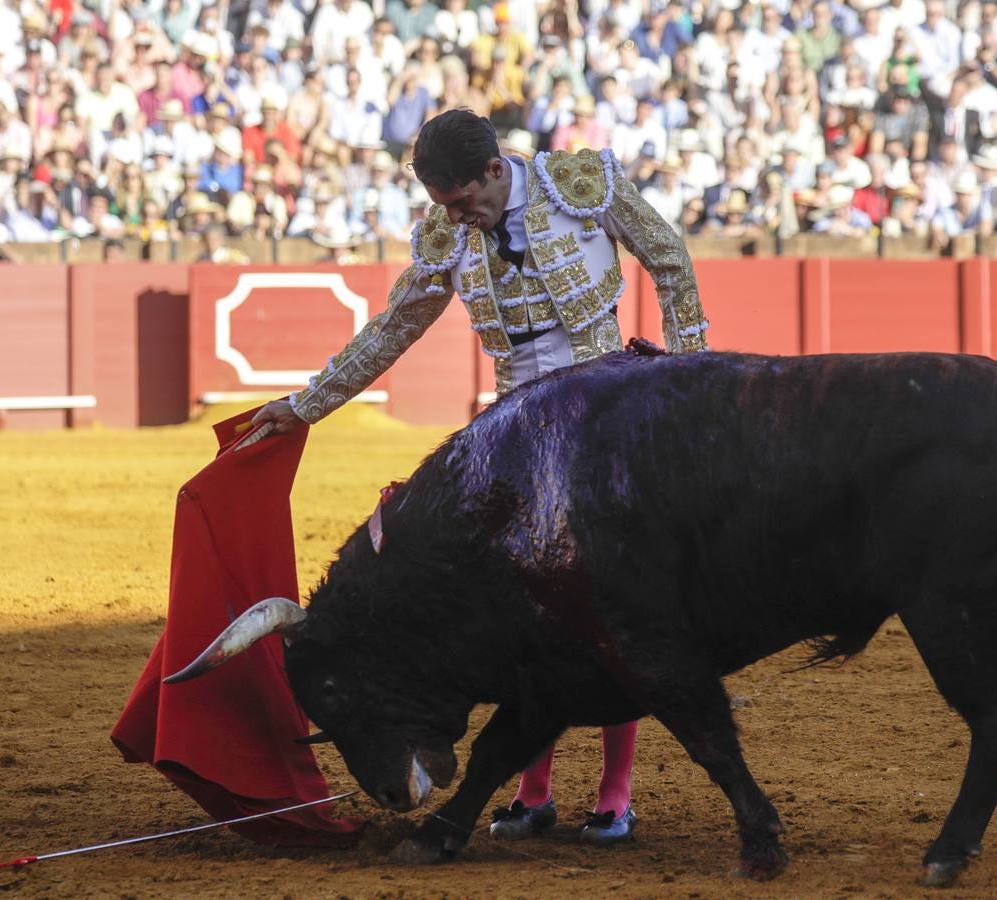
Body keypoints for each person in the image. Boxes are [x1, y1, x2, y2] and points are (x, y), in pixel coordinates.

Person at [246, 108, 710, 846]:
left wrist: (689, 377)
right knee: (521, 611)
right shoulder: (445, 234)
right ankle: (533, 792)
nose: (458, 218)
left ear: (495, 170)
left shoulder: (578, 184)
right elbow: (392, 328)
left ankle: (615, 793)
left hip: (607, 413)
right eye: (445, 207)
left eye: (463, 201)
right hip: (515, 433)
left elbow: (670, 259)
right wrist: (306, 406)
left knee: (611, 605)